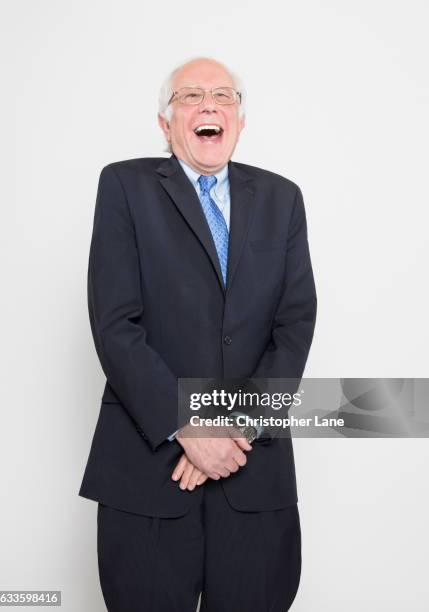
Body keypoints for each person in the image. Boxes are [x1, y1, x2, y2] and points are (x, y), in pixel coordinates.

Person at [79, 56, 317, 612]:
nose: (209, 104)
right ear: (166, 124)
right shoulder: (124, 187)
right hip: (148, 472)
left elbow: (295, 321)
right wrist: (189, 425)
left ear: (239, 119)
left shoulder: (283, 199)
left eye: (223, 96)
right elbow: (115, 323)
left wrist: (232, 430)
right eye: (191, 96)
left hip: (252, 471)